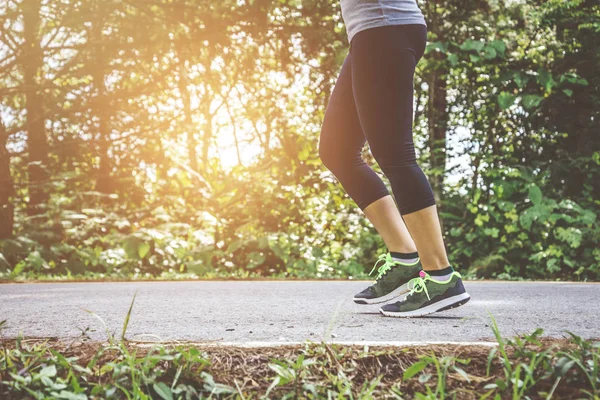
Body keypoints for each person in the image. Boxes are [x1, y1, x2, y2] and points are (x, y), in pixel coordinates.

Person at [318, 0, 471, 317]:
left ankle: (440, 276)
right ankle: (404, 258)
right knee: (337, 149)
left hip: (385, 27)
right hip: (371, 31)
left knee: (394, 154)